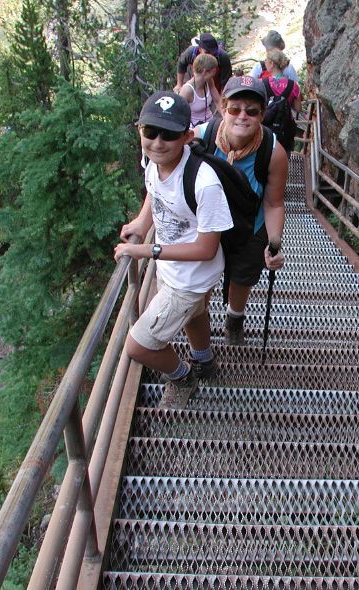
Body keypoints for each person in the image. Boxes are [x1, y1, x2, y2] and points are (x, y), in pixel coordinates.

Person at [115, 91, 233, 407]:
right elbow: (153, 191)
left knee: (138, 347)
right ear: (139, 130)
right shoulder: (154, 160)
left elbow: (207, 249)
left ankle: (182, 377)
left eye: (168, 135)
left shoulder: (204, 182)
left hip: (191, 276)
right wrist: (141, 223)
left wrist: (147, 250)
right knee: (196, 315)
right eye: (149, 132)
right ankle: (204, 361)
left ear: (187, 136)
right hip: (174, 268)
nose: (157, 142)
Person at [193, 76, 287, 345]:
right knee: (202, 279)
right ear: (223, 108)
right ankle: (201, 328)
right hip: (208, 224)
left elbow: (274, 203)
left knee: (242, 277)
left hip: (249, 224)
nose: (242, 116)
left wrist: (274, 243)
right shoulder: (201, 137)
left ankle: (234, 320)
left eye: (252, 111)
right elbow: (163, 173)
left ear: (262, 115)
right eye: (235, 109)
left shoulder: (272, 152)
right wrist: (143, 221)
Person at [180, 53, 221, 127]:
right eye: (214, 70)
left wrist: (226, 118)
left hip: (210, 123)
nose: (215, 72)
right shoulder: (187, 90)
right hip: (194, 127)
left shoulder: (209, 81)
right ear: (205, 72)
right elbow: (180, 114)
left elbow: (218, 101)